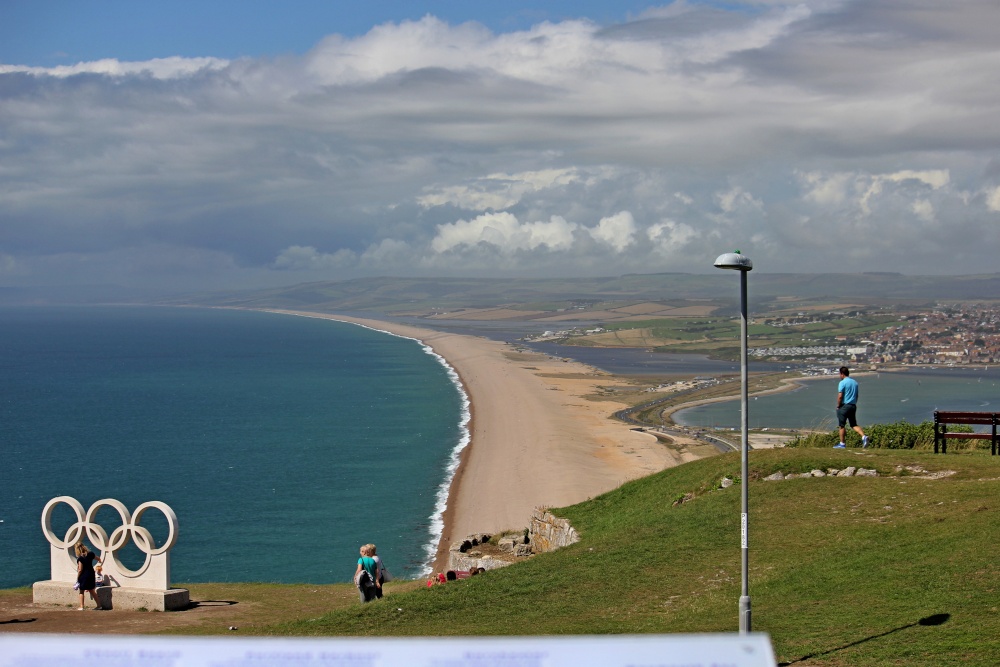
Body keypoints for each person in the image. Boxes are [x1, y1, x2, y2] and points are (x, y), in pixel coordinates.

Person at [835, 366, 869, 449]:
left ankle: (842, 443)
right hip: (853, 406)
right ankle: (863, 436)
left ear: (842, 374)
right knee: (853, 424)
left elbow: (840, 396)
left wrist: (838, 406)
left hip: (844, 406)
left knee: (842, 425)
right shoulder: (855, 382)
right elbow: (856, 395)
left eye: (840, 374)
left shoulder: (842, 382)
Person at [74, 541, 104, 610]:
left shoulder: (80, 558)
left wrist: (78, 577)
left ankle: (82, 606)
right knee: (91, 590)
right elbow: (98, 558)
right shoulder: (90, 554)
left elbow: (80, 569)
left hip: (84, 575)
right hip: (91, 573)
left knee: (81, 591)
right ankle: (99, 605)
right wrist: (100, 561)